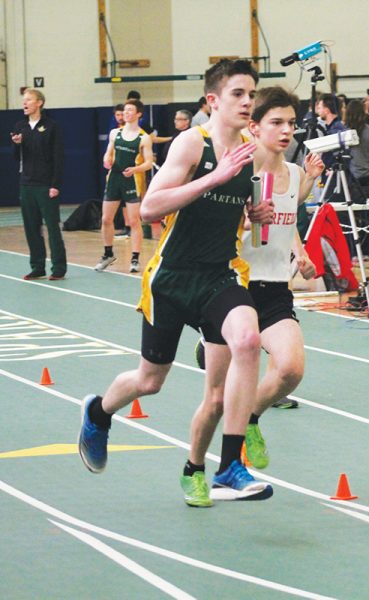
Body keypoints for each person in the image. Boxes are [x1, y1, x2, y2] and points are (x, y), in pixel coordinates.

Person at [77, 59, 275, 506]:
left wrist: (252, 215)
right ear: (213, 101)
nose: (247, 103)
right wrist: (214, 177)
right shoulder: (192, 143)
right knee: (150, 380)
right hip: (171, 278)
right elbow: (150, 208)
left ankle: (228, 465)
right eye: (238, 94)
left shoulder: (252, 151)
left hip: (219, 275)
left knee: (247, 339)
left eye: (251, 95)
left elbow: (239, 215)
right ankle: (99, 411)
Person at [190, 86, 324, 495]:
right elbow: (214, 226)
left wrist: (300, 253)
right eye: (276, 123)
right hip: (237, 286)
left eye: (291, 124)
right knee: (214, 399)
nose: (286, 131)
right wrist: (245, 223)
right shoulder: (239, 174)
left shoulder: (298, 175)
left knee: (290, 370)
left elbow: (288, 220)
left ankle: (248, 417)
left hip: (276, 289)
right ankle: (196, 468)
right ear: (255, 126)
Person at [11, 88, 67, 280]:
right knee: (31, 228)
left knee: (52, 228)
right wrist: (17, 144)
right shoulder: (20, 126)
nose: (24, 103)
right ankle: (38, 267)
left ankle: (59, 268)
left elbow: (58, 157)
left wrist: (55, 185)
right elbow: (16, 157)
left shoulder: (51, 126)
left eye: (28, 100)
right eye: (23, 100)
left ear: (39, 103)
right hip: (27, 184)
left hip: (46, 185)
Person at [96, 99, 155, 273]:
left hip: (132, 181)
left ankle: (135, 258)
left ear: (139, 114)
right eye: (125, 110)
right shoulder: (115, 133)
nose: (126, 113)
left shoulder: (144, 138)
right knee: (106, 219)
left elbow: (149, 163)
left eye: (130, 110)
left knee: (134, 221)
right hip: (114, 179)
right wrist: (106, 161)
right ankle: (108, 254)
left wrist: (135, 169)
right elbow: (107, 155)